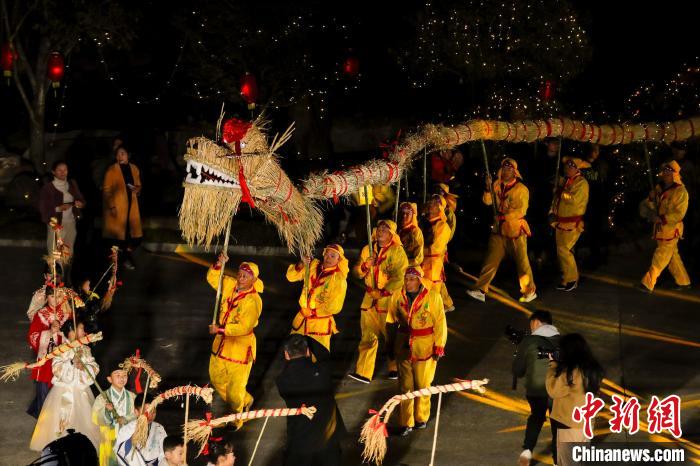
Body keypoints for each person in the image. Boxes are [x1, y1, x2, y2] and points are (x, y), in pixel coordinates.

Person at [386, 266, 446, 436]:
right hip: (403, 345)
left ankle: (421, 418)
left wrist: (439, 345)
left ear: (419, 280)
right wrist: (389, 344)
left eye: (412, 279)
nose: (408, 282)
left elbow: (440, 322)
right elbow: (390, 320)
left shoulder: (433, 297)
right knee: (405, 386)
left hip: (425, 347)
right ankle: (406, 422)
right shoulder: (397, 296)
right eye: (406, 279)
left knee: (423, 384)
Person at [467, 158, 537, 303]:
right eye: (504, 169)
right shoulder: (497, 184)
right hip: (498, 231)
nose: (506, 172)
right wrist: (488, 188)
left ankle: (529, 291)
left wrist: (504, 217)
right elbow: (487, 201)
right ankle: (481, 289)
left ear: (515, 172)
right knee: (490, 260)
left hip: (515, 231)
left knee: (522, 262)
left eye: (509, 169)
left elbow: (521, 210)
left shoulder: (521, 189)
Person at [207, 254, 263, 429]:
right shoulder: (231, 284)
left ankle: (237, 418)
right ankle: (247, 400)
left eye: (245, 276)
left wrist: (221, 329)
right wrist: (219, 264)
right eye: (239, 273)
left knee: (235, 390)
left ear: (254, 280)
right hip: (221, 345)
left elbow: (244, 327)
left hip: (240, 348)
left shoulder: (254, 301)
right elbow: (213, 279)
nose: (240, 277)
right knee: (215, 379)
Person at [348, 219, 408, 384]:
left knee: (391, 338)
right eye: (379, 228)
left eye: (385, 229)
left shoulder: (397, 252)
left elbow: (399, 276)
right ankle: (363, 373)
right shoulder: (368, 248)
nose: (380, 231)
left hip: (388, 299)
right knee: (367, 335)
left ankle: (395, 367)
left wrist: (382, 291)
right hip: (369, 300)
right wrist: (365, 266)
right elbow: (356, 272)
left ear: (391, 234)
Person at [30, 320, 100, 452]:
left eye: (84, 330)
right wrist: (71, 364)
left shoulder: (85, 349)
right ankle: (58, 445)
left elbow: (94, 367)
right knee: (58, 420)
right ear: (70, 331)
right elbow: (56, 368)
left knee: (84, 419)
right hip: (62, 391)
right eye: (80, 329)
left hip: (80, 391)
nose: (83, 332)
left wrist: (84, 368)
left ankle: (81, 446)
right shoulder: (60, 349)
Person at [276, 334, 344, 466]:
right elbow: (324, 354)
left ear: (286, 355)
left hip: (300, 442)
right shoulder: (324, 370)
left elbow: (289, 370)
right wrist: (307, 338)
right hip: (328, 439)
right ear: (308, 351)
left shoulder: (282, 381)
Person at [546, 333, 603, 466]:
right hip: (585, 425)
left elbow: (553, 389)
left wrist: (553, 365)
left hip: (569, 426)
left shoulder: (571, 372)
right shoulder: (592, 369)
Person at [512, 311, 561, 466]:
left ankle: (527, 451)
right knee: (557, 423)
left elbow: (518, 370)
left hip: (535, 389)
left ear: (536, 322)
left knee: (536, 416)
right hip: (558, 391)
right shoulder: (565, 341)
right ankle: (557, 460)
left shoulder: (528, 341)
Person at [638, 161, 691, 292]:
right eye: (664, 172)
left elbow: (679, 214)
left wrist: (662, 219)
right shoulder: (658, 188)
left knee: (660, 258)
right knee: (672, 257)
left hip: (671, 231)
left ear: (674, 174)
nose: (665, 174)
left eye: (668, 172)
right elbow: (649, 208)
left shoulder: (681, 192)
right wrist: (650, 200)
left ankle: (647, 284)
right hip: (660, 230)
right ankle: (684, 282)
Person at [286, 244, 348, 353]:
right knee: (294, 356)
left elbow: (335, 307)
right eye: (326, 254)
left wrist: (314, 312)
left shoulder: (339, 279)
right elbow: (290, 277)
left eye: (332, 256)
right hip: (302, 322)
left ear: (339, 260)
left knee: (316, 359)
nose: (328, 258)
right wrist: (302, 263)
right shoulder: (313, 265)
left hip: (320, 326)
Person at [27, 286, 71, 418]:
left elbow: (72, 333)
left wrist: (65, 336)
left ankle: (58, 415)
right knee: (44, 385)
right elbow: (33, 335)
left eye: (58, 296)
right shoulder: (41, 314)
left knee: (61, 385)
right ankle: (44, 416)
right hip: (47, 357)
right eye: (52, 296)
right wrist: (50, 332)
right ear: (47, 297)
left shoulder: (67, 313)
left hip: (63, 355)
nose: (56, 300)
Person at [549, 157, 590, 292]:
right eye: (566, 167)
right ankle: (566, 278)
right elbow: (556, 200)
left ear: (577, 169)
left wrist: (560, 191)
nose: (567, 169)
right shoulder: (565, 181)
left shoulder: (582, 183)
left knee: (564, 250)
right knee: (561, 251)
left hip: (573, 222)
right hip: (559, 221)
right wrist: (551, 213)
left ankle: (572, 279)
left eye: (570, 167)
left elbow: (573, 200)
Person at [39, 161, 86, 267]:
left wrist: (80, 204)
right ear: (53, 172)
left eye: (65, 170)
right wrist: (59, 208)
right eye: (59, 170)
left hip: (71, 223)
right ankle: (54, 278)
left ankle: (66, 277)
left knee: (68, 252)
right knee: (55, 252)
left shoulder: (72, 183)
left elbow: (81, 200)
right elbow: (43, 208)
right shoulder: (48, 188)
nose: (62, 172)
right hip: (56, 225)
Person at [102, 146, 142, 270]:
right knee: (120, 237)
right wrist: (112, 206)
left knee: (136, 237)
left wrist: (138, 189)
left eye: (123, 154)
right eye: (118, 154)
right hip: (117, 208)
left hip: (131, 205)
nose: (120, 157)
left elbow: (138, 185)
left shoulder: (134, 168)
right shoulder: (111, 170)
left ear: (128, 155)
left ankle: (123, 257)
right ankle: (122, 260)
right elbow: (106, 190)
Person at [92, 368, 138, 466]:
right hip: (109, 439)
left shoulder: (132, 396)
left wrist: (126, 419)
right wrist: (106, 411)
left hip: (128, 438)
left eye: (124, 375)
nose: (122, 378)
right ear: (109, 379)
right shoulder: (102, 397)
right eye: (117, 375)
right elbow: (95, 418)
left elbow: (138, 414)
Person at [421, 194, 455, 312]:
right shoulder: (425, 222)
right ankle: (446, 304)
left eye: (436, 203)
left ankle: (435, 312)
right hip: (423, 260)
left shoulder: (443, 226)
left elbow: (436, 248)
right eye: (431, 202)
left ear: (441, 208)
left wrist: (418, 251)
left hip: (433, 263)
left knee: (432, 288)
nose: (431, 205)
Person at [114, 394, 167, 466]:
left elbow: (164, 452)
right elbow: (119, 452)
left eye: (153, 411)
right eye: (146, 412)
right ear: (136, 412)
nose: (150, 415)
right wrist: (131, 440)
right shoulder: (126, 430)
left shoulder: (159, 428)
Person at [581, 144, 610, 268]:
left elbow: (601, 180)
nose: (595, 153)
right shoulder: (582, 164)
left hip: (596, 201)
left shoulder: (600, 165)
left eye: (597, 151)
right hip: (584, 201)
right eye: (593, 150)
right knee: (588, 229)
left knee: (595, 230)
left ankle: (596, 256)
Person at [398, 202, 424, 267]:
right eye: (402, 213)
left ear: (413, 215)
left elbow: (418, 258)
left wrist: (403, 264)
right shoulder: (397, 229)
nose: (404, 215)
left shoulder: (416, 232)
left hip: (410, 269)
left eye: (407, 213)